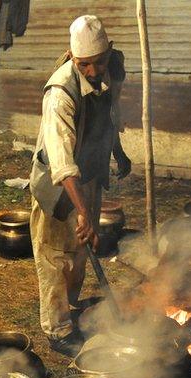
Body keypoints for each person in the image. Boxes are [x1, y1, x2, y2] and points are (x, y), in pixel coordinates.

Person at [29, 15, 127, 356]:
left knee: (80, 252)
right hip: (59, 182)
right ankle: (57, 332)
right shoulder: (59, 94)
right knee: (57, 257)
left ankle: (69, 310)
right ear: (72, 58)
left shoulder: (113, 69)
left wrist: (119, 153)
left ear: (109, 53)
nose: (94, 71)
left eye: (99, 62)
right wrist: (82, 211)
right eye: (84, 64)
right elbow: (62, 163)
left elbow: (110, 118)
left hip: (90, 175)